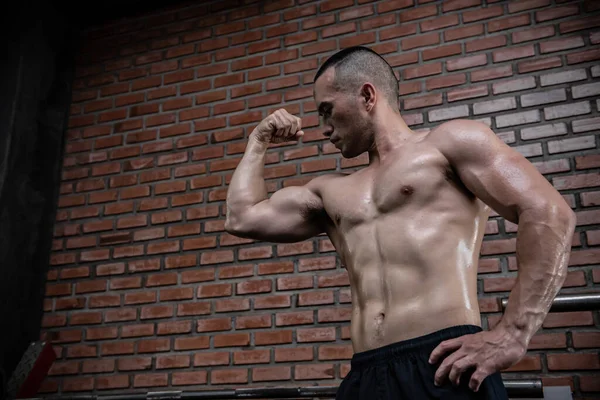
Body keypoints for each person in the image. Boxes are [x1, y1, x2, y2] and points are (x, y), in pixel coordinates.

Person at [224, 46, 576, 399]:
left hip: (442, 362)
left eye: (327, 111)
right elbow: (241, 217)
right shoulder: (328, 191)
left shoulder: (450, 143)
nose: (323, 128)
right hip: (366, 374)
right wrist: (258, 141)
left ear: (366, 95)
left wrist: (513, 333)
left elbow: (549, 213)